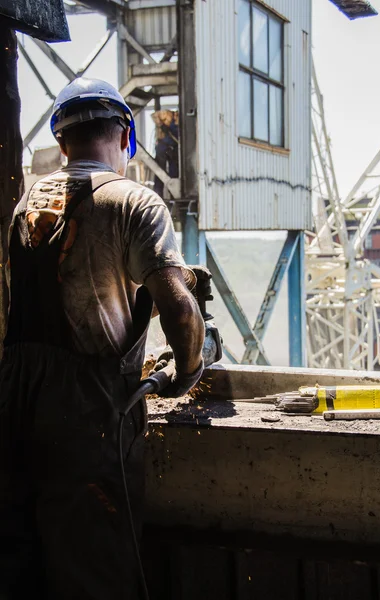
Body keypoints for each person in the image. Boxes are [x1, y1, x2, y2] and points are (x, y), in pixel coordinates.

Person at [0, 78, 205, 600]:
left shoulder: (25, 204)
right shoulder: (134, 201)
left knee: (22, 563)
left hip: (13, 402)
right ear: (126, 136)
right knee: (97, 571)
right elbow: (180, 309)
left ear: (62, 143)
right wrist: (187, 370)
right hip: (89, 416)